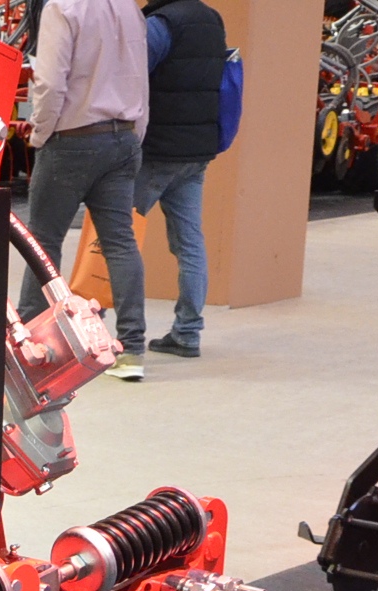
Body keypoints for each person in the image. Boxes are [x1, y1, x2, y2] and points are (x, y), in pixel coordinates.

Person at [18, 0, 154, 381]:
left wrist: (40, 134)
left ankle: (28, 345)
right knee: (120, 242)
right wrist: (135, 134)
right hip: (123, 137)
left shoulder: (62, 8)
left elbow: (50, 82)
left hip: (71, 140)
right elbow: (140, 80)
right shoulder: (130, 9)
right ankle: (132, 350)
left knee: (42, 242)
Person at [132, 0, 225, 359]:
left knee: (115, 240)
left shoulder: (161, 24)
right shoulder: (212, 20)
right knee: (190, 243)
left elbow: (130, 77)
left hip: (156, 150)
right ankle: (187, 332)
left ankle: (105, 332)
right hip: (196, 152)